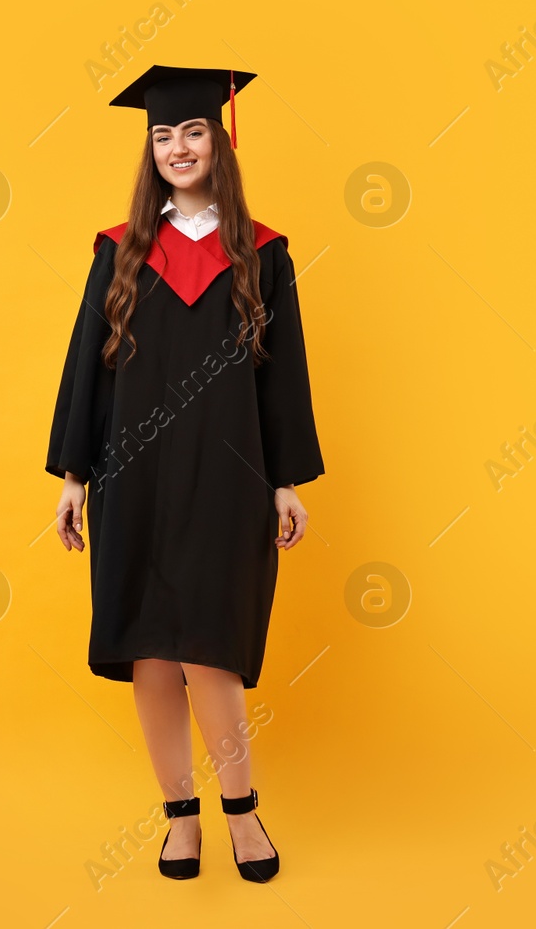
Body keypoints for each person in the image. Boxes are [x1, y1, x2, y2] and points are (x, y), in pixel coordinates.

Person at [46, 64, 324, 883]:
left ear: (220, 141)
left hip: (227, 473)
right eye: (163, 135)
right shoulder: (120, 251)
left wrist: (285, 480)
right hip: (133, 474)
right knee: (151, 652)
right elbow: (86, 372)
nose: (177, 147)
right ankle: (179, 818)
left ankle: (242, 810)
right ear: (151, 149)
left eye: (192, 131)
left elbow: (283, 376)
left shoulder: (262, 255)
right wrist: (73, 474)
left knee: (211, 646)